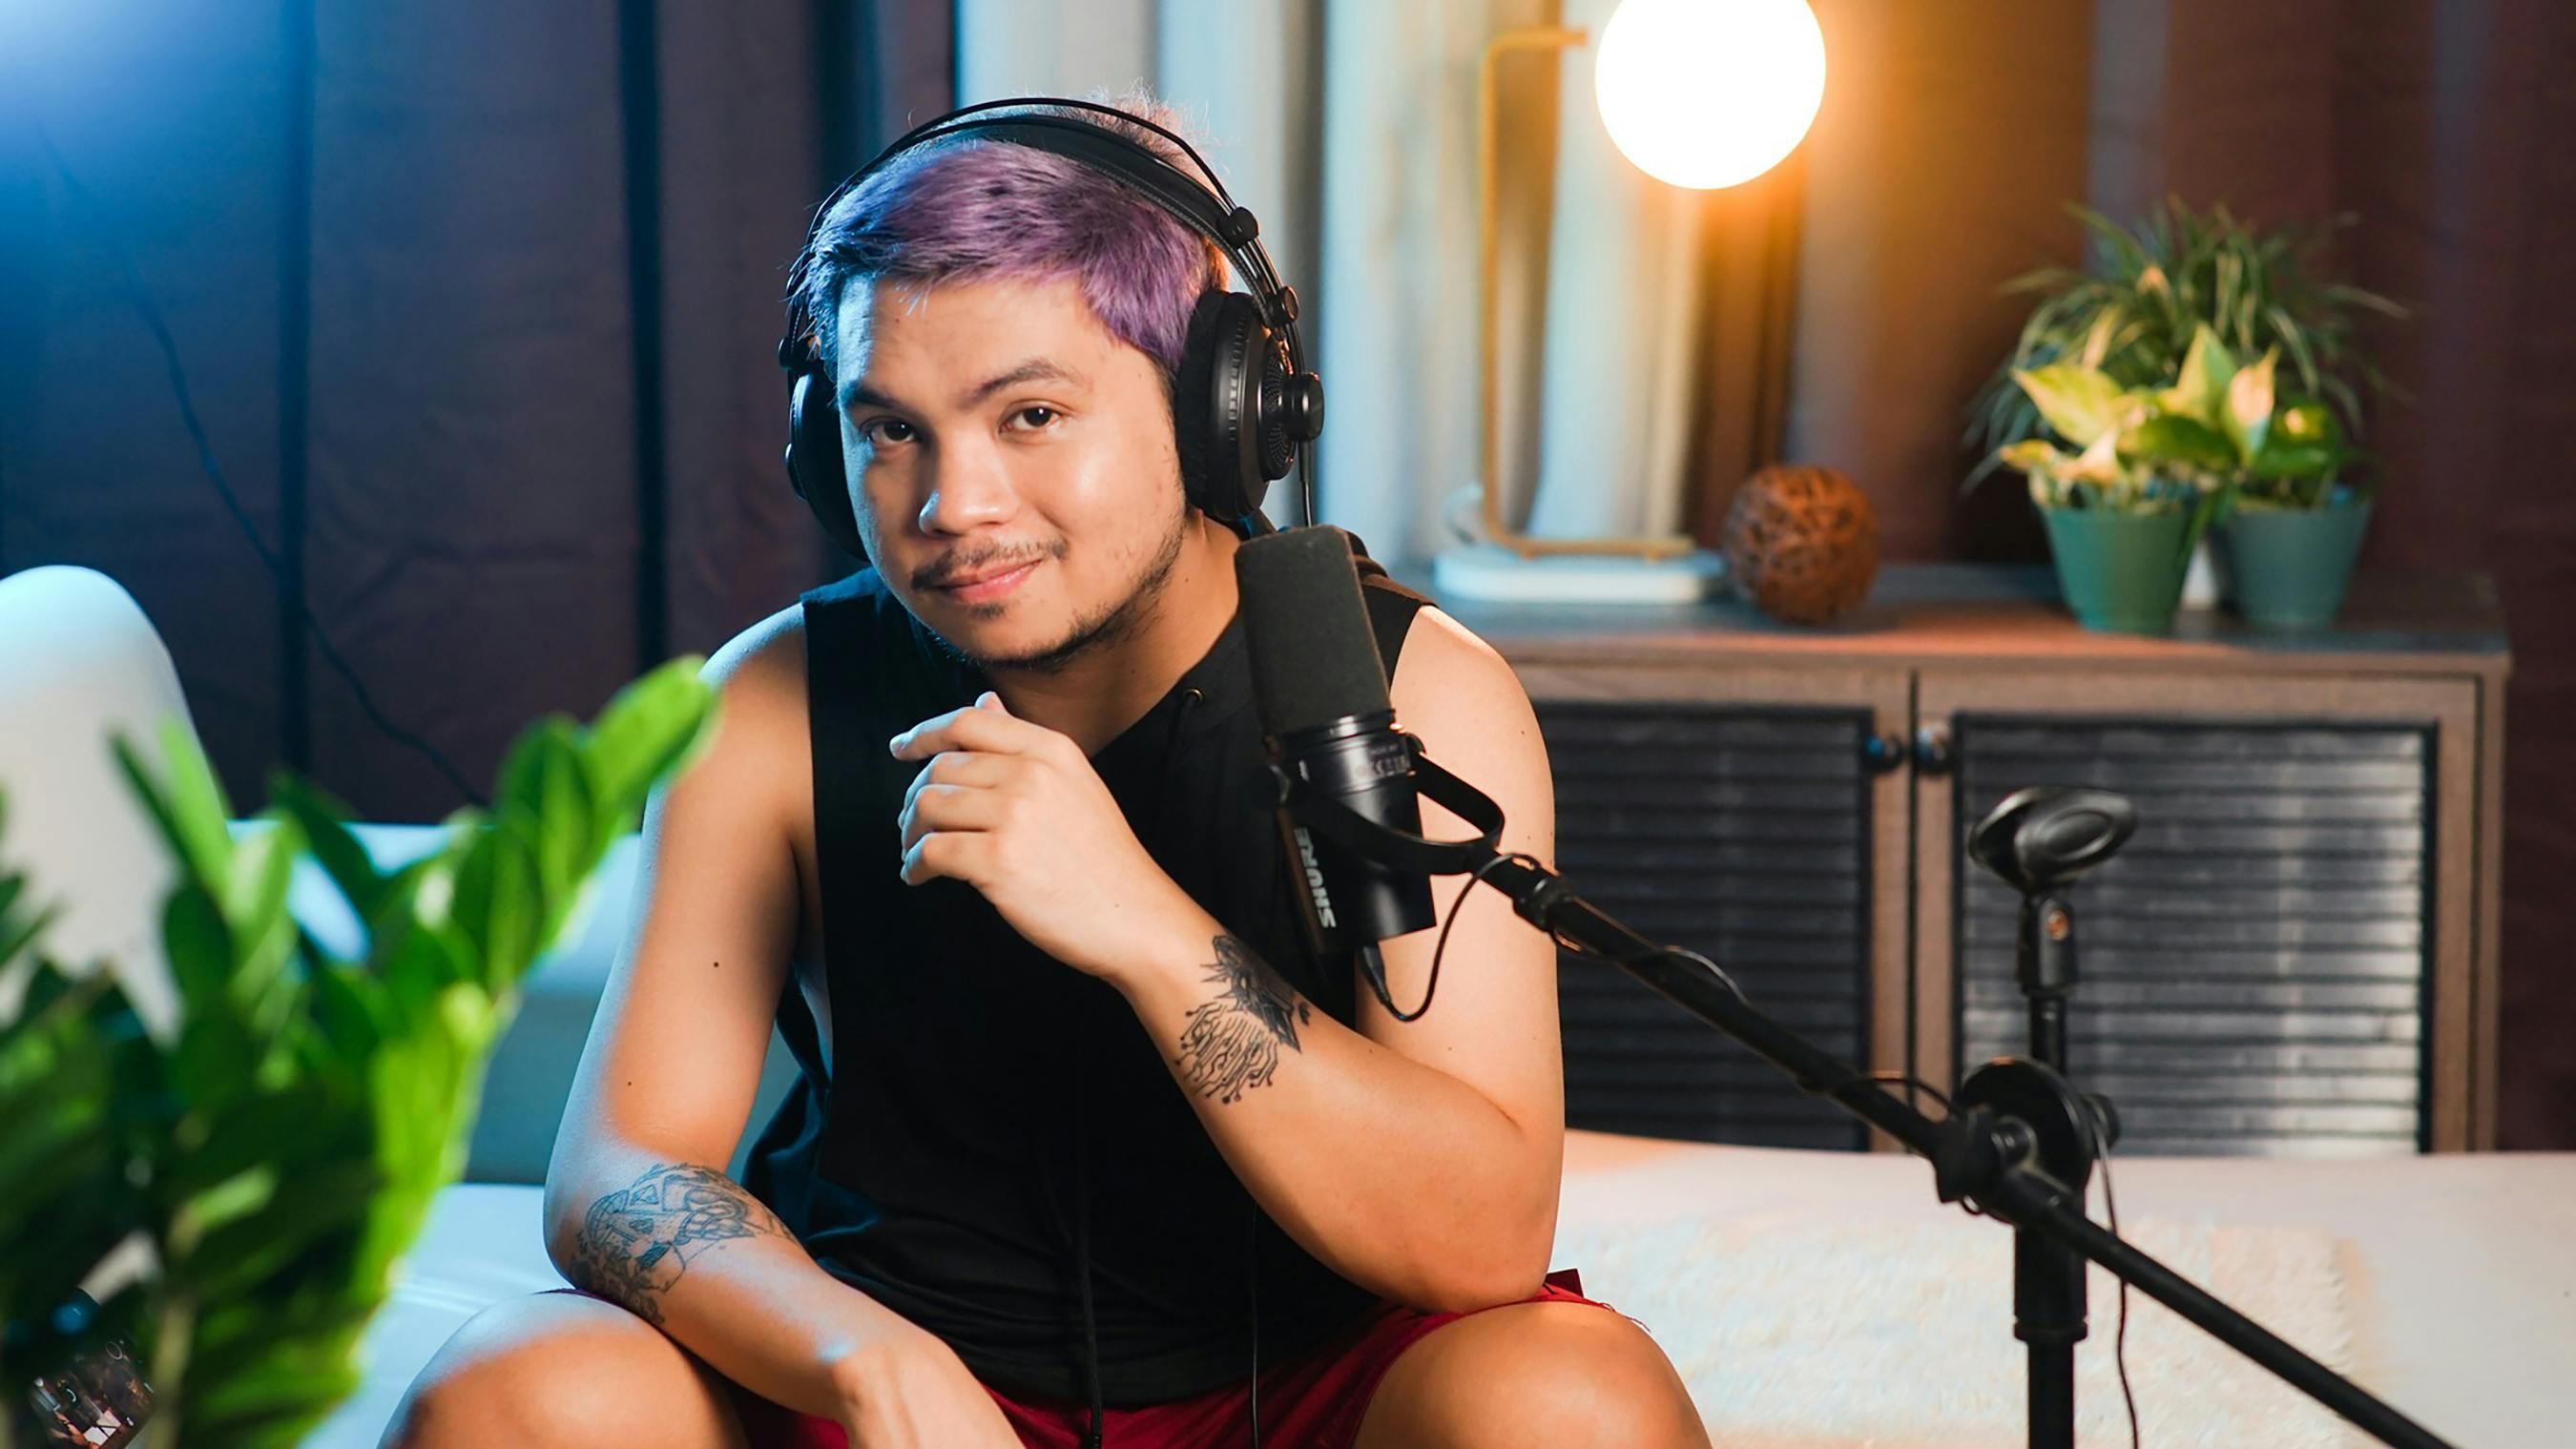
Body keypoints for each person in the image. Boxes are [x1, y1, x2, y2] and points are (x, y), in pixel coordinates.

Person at [382, 92, 1709, 1449]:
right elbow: (619, 1170)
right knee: (516, 1391)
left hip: (1301, 1387)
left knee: (1572, 1403)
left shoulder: (1404, 698)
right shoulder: (774, 703)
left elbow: (1481, 1241)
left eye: (1028, 415)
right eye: (890, 430)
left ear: (1214, 412)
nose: (954, 506)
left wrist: (1137, 923)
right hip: (907, 1381)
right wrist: (867, 1362)